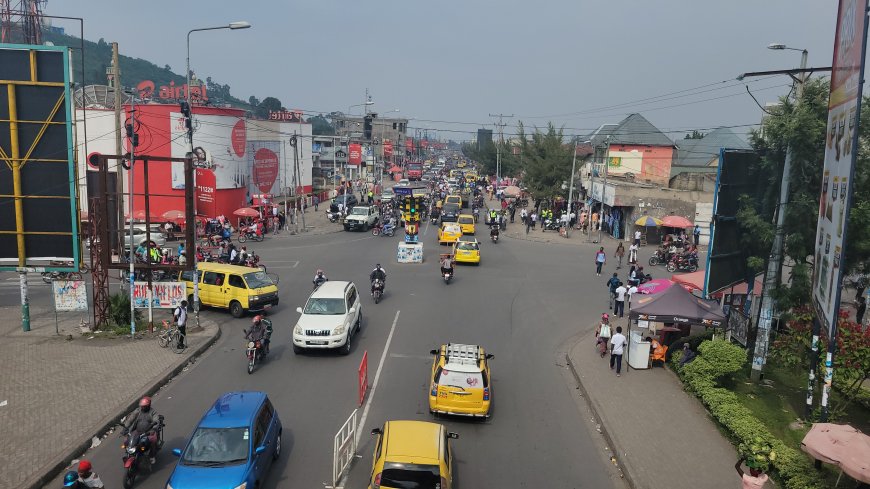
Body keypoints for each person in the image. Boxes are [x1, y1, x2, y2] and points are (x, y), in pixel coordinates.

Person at [122, 397, 161, 464]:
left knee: (153, 441)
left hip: (149, 432)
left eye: (144, 407)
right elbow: (130, 420)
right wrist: (125, 428)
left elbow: (156, 421)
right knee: (126, 440)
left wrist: (153, 429)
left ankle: (152, 456)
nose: (142, 408)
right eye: (141, 406)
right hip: (137, 431)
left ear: (148, 405)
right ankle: (129, 454)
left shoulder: (153, 412)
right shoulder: (138, 411)